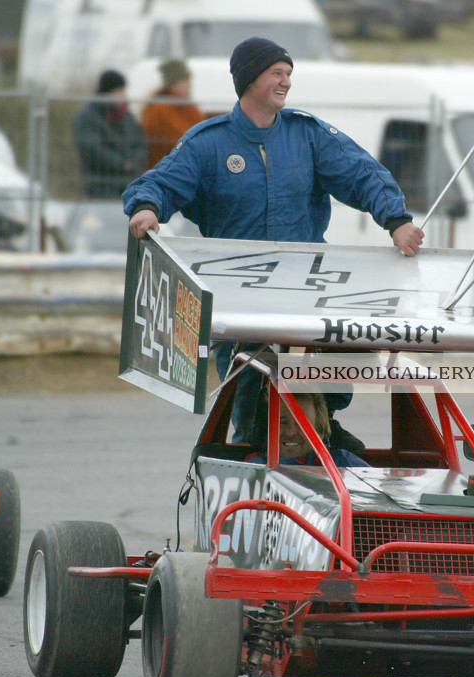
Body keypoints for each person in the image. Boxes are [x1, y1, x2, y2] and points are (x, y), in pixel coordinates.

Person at [123, 36, 424, 443]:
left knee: (338, 360)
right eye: (276, 74)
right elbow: (160, 183)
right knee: (251, 388)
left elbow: (362, 174)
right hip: (240, 296)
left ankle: (323, 433)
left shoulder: (309, 135)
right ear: (249, 80)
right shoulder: (207, 142)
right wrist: (147, 208)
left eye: (288, 74)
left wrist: (397, 221)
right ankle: (251, 446)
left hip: (309, 292)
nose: (286, 82)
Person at [74, 69, 147, 198]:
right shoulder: (88, 116)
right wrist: (122, 164)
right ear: (107, 92)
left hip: (128, 183)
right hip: (101, 185)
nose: (124, 95)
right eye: (119, 91)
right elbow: (93, 150)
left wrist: (134, 164)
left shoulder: (126, 116)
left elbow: (141, 143)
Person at [245, 392, 369, 468]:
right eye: (282, 422)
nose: (290, 432)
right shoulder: (255, 467)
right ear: (268, 428)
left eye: (302, 423)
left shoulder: (343, 463)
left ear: (320, 432)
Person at [140, 58, 206, 168]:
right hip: (163, 172)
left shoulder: (189, 107)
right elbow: (180, 141)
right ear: (173, 84)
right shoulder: (160, 109)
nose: (189, 84)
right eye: (184, 80)